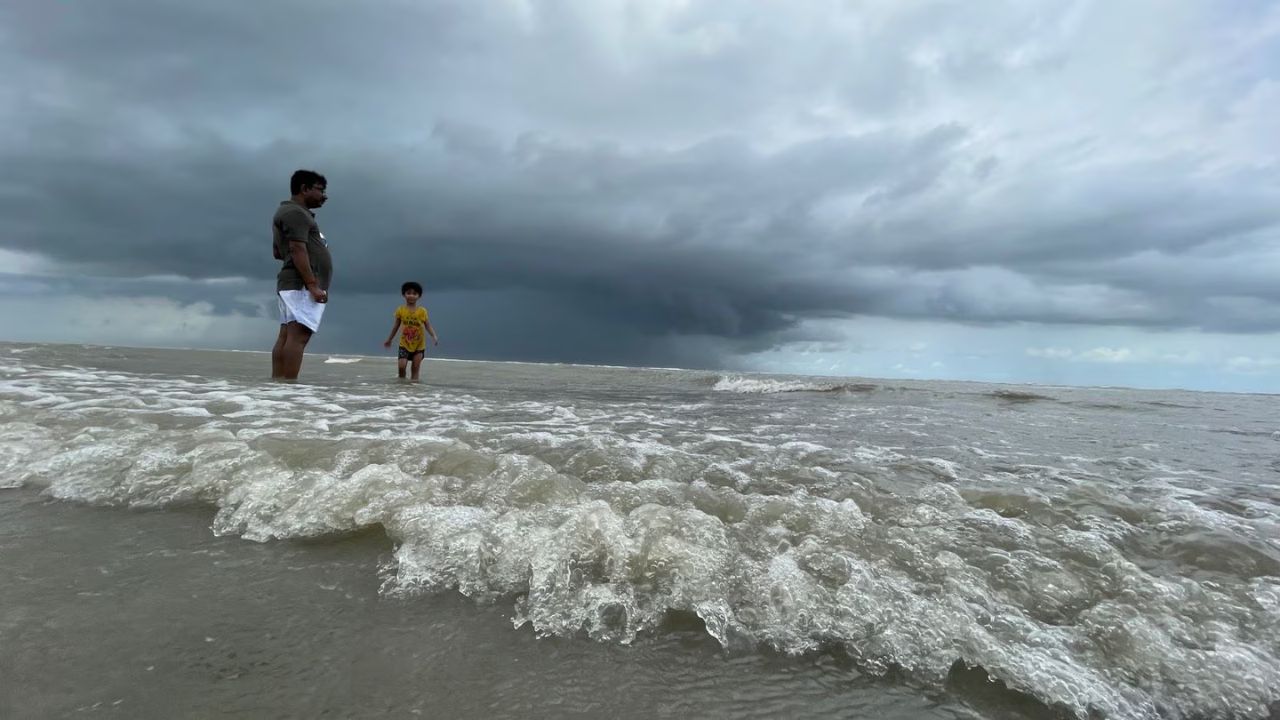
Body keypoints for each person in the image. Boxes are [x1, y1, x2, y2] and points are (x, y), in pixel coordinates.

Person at [270, 169, 331, 380]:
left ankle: (278, 385)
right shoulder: (296, 214)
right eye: (320, 190)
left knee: (287, 335)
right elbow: (296, 249)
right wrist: (313, 284)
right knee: (298, 337)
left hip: (292, 283)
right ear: (304, 189)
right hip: (301, 285)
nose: (325, 196)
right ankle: (289, 389)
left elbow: (278, 252)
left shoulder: (286, 213)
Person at [383, 281, 438, 382]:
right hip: (404, 344)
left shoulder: (422, 311)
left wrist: (434, 336)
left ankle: (413, 391)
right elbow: (396, 326)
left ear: (419, 296)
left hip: (419, 345)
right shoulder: (400, 310)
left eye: (414, 293)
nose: (411, 296)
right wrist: (389, 339)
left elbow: (427, 325)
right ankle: (401, 384)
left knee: (415, 369)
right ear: (404, 295)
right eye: (408, 293)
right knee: (402, 367)